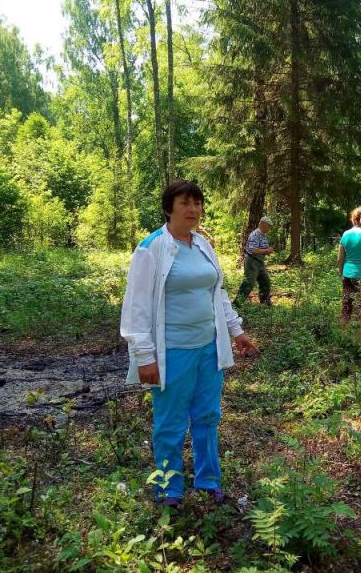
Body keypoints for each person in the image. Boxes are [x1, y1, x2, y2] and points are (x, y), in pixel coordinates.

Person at [120, 180, 257, 507]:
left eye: (197, 203)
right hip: (173, 352)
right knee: (170, 422)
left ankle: (209, 481)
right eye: (185, 203)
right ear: (169, 208)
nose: (193, 209)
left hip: (209, 349)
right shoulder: (151, 248)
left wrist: (236, 331)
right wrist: (144, 356)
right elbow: (136, 306)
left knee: (208, 415)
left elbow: (218, 292)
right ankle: (169, 490)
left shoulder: (202, 245)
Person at [234, 216, 274, 306]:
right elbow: (253, 250)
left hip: (260, 262)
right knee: (249, 283)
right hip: (252, 261)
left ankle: (265, 302)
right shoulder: (255, 235)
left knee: (265, 281)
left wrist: (268, 250)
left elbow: (262, 248)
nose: (269, 228)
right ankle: (237, 304)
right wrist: (266, 250)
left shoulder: (264, 235)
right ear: (262, 224)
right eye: (268, 226)